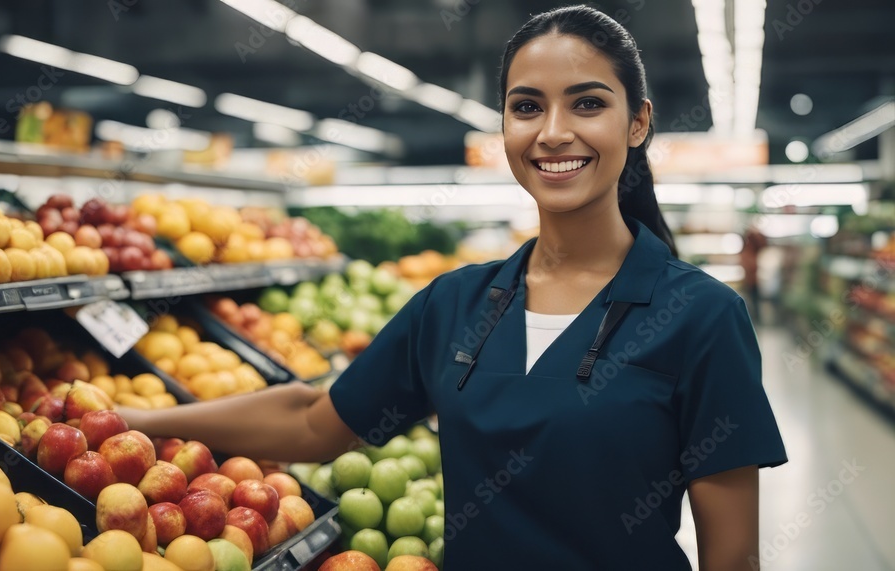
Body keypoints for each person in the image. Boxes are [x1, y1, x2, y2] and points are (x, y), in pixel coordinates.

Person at [120, 6, 787, 569]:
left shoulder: (699, 316)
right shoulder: (455, 305)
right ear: (504, 128)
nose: (554, 132)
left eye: (587, 103)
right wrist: (138, 424)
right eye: (527, 107)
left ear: (636, 123)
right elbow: (311, 421)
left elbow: (731, 560)